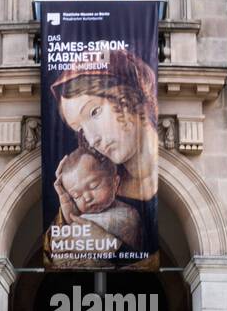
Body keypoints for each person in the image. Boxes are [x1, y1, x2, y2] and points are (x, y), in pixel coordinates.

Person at [48, 48, 160, 268]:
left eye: (94, 112)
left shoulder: (168, 180)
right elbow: (55, 260)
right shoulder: (97, 188)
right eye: (80, 129)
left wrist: (109, 244)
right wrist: (68, 209)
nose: (92, 139)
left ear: (128, 95)